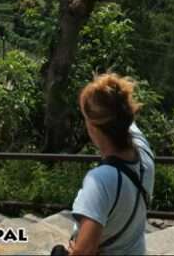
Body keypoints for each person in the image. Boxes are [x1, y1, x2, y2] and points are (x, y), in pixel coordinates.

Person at [65, 74, 154, 255]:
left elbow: (84, 252)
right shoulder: (143, 151)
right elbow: (122, 115)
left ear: (93, 127)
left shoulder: (101, 181)